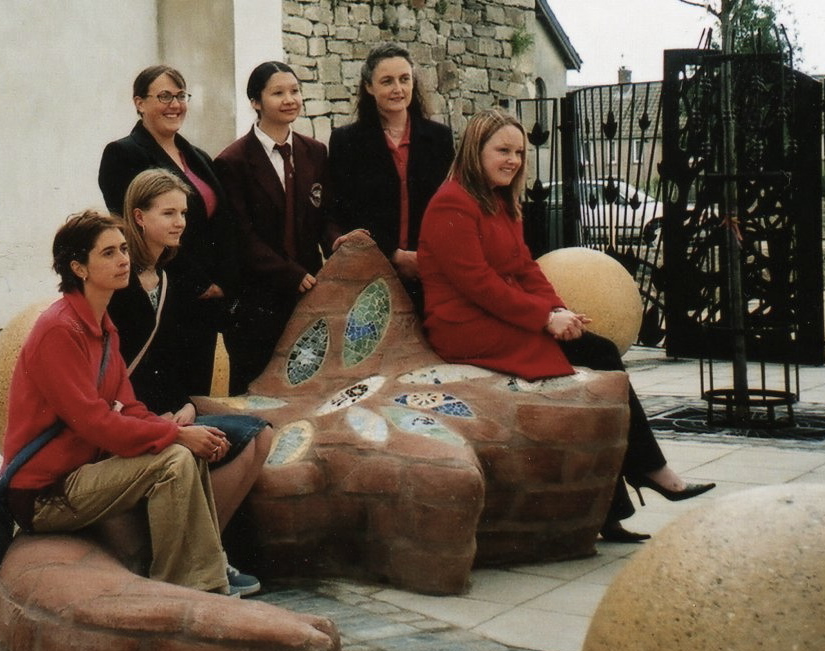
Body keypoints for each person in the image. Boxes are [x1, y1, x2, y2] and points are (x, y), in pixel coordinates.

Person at [417, 109, 715, 542]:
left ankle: (614, 503)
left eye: (519, 152)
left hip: (499, 316)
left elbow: (525, 269)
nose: (514, 160)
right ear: (474, 151)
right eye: (502, 150)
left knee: (594, 354)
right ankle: (646, 472)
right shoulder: (452, 201)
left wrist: (561, 312)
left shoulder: (502, 202)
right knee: (597, 357)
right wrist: (543, 318)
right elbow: (477, 284)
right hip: (464, 324)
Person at [3, 211, 235, 594]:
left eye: (124, 249)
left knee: (185, 451)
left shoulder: (103, 326)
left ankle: (210, 573)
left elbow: (129, 408)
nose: (124, 259)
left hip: (83, 473)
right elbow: (95, 422)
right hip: (45, 493)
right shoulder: (59, 330)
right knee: (174, 459)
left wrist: (181, 432)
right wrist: (175, 437)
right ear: (78, 267)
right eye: (108, 253)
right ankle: (186, 587)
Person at [108, 169, 272, 592]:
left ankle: (205, 551)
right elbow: (115, 368)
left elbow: (170, 360)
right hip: (134, 419)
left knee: (259, 435)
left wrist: (187, 406)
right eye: (169, 213)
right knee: (229, 439)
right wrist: (161, 417)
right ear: (139, 217)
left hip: (167, 411)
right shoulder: (118, 284)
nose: (180, 221)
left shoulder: (166, 278)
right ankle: (198, 559)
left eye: (182, 212)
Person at [98, 65, 240, 396]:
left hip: (207, 299)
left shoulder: (198, 155)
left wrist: (223, 280)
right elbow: (134, 229)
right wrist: (198, 282)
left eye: (180, 96)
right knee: (166, 394)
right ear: (139, 103)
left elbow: (223, 222)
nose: (174, 104)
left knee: (197, 395)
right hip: (166, 291)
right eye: (163, 96)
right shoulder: (123, 154)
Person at [214, 61, 344, 394]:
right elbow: (241, 235)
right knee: (254, 390)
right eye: (278, 93)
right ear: (256, 102)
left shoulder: (314, 152)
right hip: (256, 299)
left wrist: (338, 244)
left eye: (295, 91)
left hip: (308, 296)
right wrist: (289, 274)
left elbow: (325, 214)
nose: (290, 99)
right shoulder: (233, 161)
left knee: (306, 388)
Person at [329, 42, 454, 315]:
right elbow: (344, 209)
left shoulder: (440, 138)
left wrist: (425, 258)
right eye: (387, 81)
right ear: (369, 87)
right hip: (372, 269)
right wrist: (393, 254)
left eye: (404, 79)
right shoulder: (346, 141)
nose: (398, 89)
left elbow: (450, 207)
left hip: (430, 270)